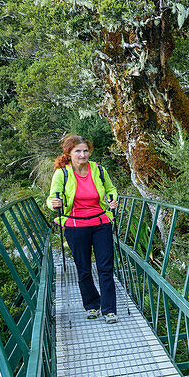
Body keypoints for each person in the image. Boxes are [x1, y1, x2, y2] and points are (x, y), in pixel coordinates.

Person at [46, 134, 119, 323]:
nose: (82, 154)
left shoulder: (99, 170)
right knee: (84, 268)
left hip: (101, 222)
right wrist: (54, 204)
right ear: (68, 153)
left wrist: (112, 200)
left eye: (85, 150)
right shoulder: (62, 173)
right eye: (77, 151)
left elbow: (111, 189)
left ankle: (109, 309)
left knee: (105, 267)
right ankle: (92, 305)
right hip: (75, 225)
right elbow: (51, 199)